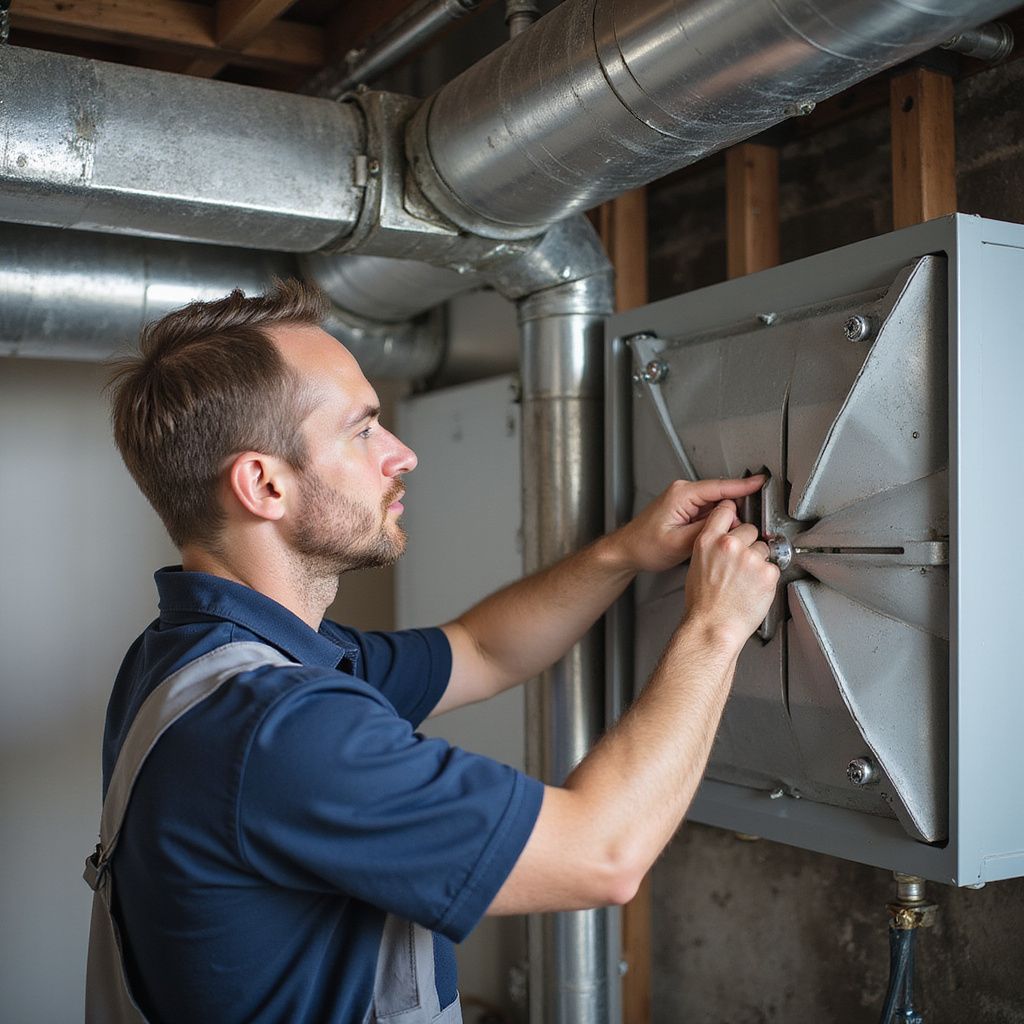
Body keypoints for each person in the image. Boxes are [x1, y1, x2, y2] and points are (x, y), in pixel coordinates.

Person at [91, 280, 779, 1023]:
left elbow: (480, 650)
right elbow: (602, 856)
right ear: (264, 484)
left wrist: (622, 554)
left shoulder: (203, 659)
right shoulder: (278, 727)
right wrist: (715, 627)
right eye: (362, 432)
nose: (403, 454)